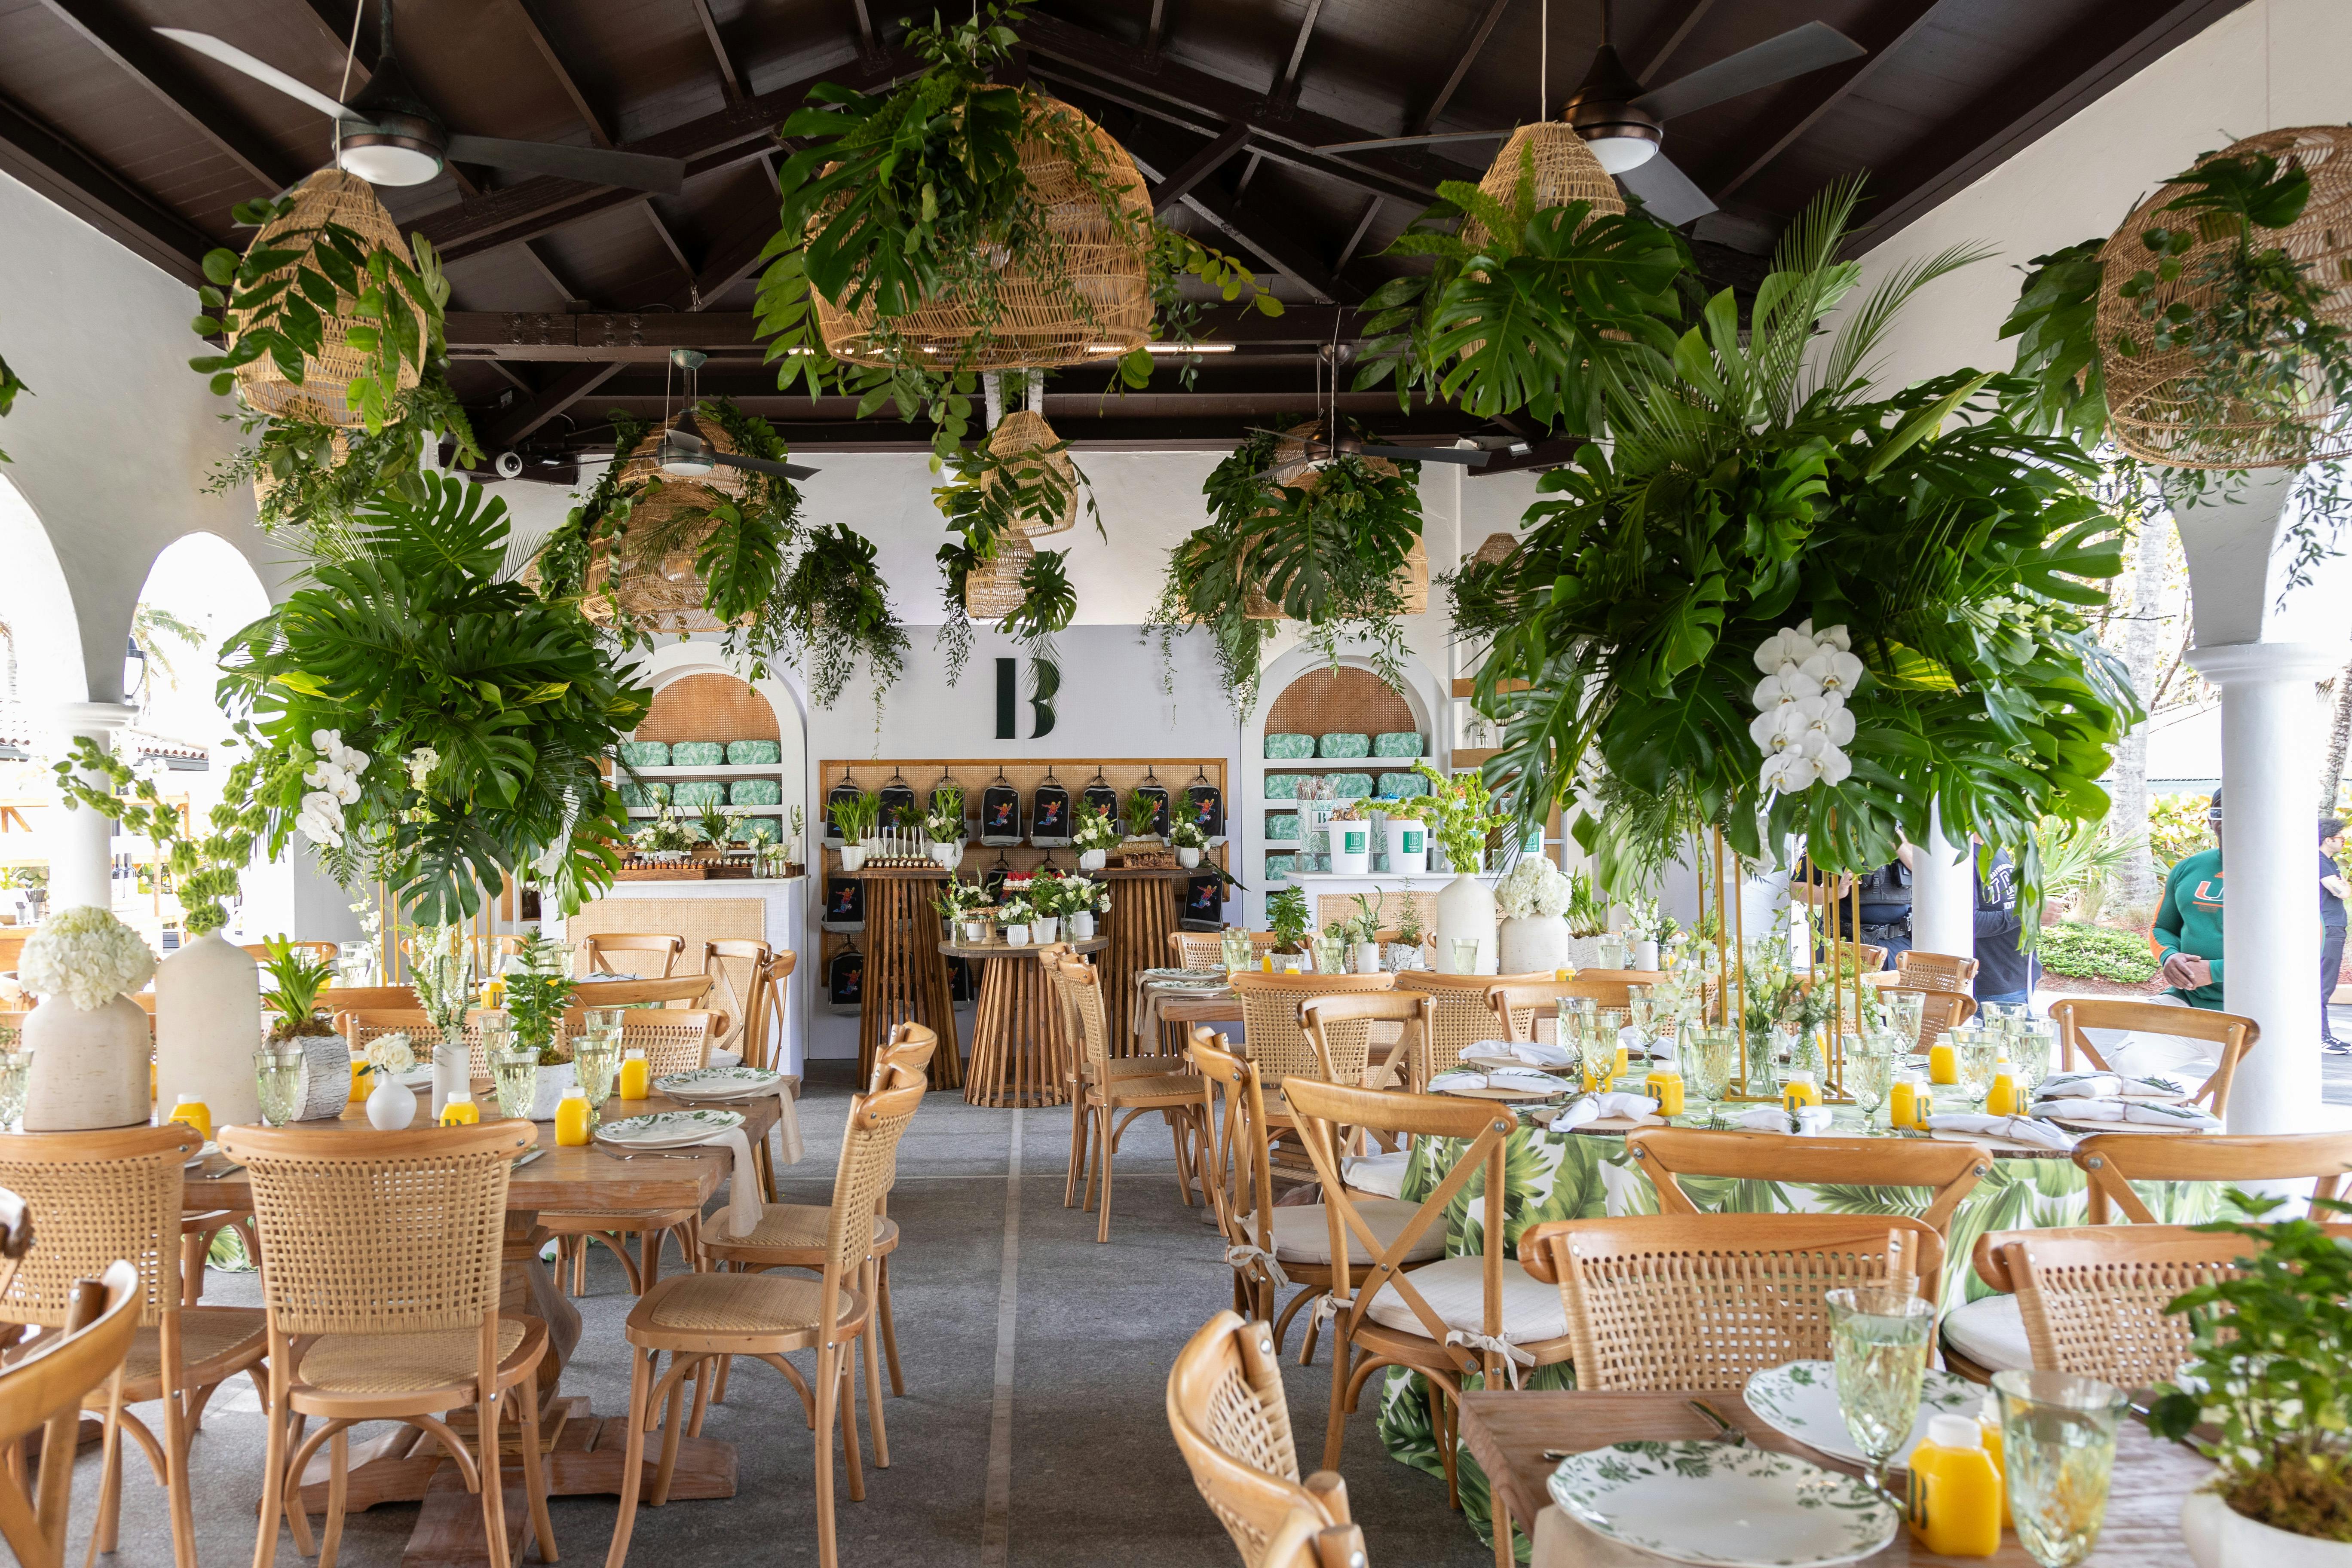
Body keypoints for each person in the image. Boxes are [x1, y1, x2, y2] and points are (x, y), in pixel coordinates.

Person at [2152, 787, 2225, 1009]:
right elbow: (2162, 928)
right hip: (2187, 998)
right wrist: (2169, 957)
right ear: (2211, 821)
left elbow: (2302, 952)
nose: (2230, 818)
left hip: (2262, 1003)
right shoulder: (2188, 868)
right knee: (2137, 1043)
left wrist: (2216, 971)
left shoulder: (2285, 876)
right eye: (2220, 812)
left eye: (2243, 809)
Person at [1798, 848, 1914, 970]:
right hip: (1847, 945)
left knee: (1897, 989)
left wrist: (1894, 833)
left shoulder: (1905, 836)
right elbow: (1797, 888)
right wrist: (1837, 893)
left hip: (1900, 947)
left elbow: (1926, 871)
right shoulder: (1831, 835)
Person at [1972, 842, 2035, 1007]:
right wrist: (2025, 913)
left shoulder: (1998, 850)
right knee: (2020, 1034)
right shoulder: (1966, 857)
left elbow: (2008, 905)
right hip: (1995, 982)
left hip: (2021, 974)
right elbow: (1970, 924)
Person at [2323, 819, 2349, 1053]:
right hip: (2328, 928)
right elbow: (2342, 892)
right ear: (2327, 839)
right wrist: (2343, 885)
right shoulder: (2319, 862)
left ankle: (2324, 1034)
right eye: (2340, 837)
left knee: (2326, 985)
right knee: (2322, 984)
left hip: (2334, 927)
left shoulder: (2329, 863)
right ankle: (2320, 1036)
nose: (2343, 840)